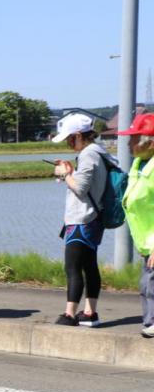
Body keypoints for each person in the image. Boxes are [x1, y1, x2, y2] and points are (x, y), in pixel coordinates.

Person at [50, 113, 109, 326]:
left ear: (78, 135)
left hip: (81, 219)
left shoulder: (88, 154)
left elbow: (81, 188)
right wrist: (71, 171)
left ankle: (69, 314)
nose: (67, 142)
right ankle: (90, 313)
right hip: (93, 217)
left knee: (72, 267)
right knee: (89, 265)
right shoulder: (98, 151)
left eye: (69, 138)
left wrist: (65, 174)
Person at [118, 113, 154, 338]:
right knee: (147, 283)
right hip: (146, 241)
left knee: (150, 283)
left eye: (133, 139)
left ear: (150, 142)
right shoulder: (139, 164)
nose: (128, 144)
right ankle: (150, 321)